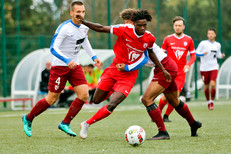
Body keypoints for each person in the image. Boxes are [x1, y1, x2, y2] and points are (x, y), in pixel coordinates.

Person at [77, 9, 172, 140]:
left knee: (112, 104)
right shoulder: (124, 29)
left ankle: (86, 124)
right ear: (133, 24)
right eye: (140, 25)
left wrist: (163, 69)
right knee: (96, 100)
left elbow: (148, 55)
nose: (143, 28)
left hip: (129, 75)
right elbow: (100, 28)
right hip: (114, 69)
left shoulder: (149, 37)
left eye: (145, 25)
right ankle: (113, 90)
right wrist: (84, 22)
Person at [118, 9, 201, 139]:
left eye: (126, 22)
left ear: (133, 22)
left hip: (165, 67)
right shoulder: (130, 35)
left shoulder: (142, 35)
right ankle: (193, 123)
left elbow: (145, 58)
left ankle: (163, 132)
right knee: (173, 100)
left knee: (147, 99)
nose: (124, 25)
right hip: (167, 66)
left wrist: (127, 67)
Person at [22, 1, 101, 137]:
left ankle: (65, 123)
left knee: (84, 95)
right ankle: (28, 118)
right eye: (78, 12)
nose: (81, 15)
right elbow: (53, 48)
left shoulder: (84, 26)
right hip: (60, 66)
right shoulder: (64, 28)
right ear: (71, 13)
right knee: (52, 99)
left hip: (74, 66)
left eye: (83, 12)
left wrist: (94, 56)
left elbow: (84, 41)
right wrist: (66, 60)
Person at [158, 16, 196, 122]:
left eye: (180, 25)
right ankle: (157, 113)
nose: (177, 27)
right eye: (176, 25)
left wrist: (188, 64)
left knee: (176, 96)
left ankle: (166, 116)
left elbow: (193, 55)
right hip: (169, 72)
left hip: (181, 73)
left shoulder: (188, 39)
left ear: (183, 27)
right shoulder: (168, 39)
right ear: (173, 26)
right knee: (165, 96)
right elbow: (161, 54)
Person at [196, 28, 225, 110]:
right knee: (206, 86)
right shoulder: (203, 43)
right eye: (209, 33)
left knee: (212, 84)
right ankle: (208, 101)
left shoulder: (218, 45)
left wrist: (221, 56)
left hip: (214, 67)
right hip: (204, 68)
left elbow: (218, 54)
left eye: (212, 33)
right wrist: (202, 54)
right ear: (207, 35)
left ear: (215, 35)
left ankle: (212, 101)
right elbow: (196, 52)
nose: (210, 35)